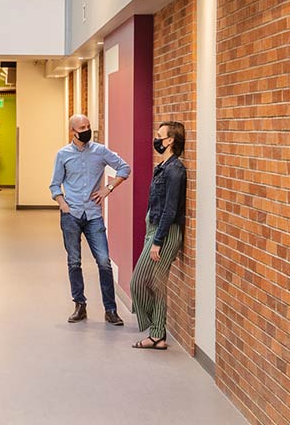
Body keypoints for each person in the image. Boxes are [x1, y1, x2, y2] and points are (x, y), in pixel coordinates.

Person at [49, 114, 131, 325]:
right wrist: (63, 205)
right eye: (82, 127)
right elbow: (54, 184)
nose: (86, 130)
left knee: (104, 262)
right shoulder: (63, 154)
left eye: (88, 126)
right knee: (74, 262)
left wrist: (108, 188)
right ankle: (80, 305)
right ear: (73, 131)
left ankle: (110, 310)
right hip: (71, 215)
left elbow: (124, 168)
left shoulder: (100, 151)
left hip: (93, 215)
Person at [129, 120, 187, 351]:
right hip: (154, 229)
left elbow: (170, 209)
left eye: (160, 135)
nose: (156, 138)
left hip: (165, 234)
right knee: (157, 284)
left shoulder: (175, 170)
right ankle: (158, 336)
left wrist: (158, 241)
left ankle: (155, 330)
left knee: (138, 282)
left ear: (170, 140)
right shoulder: (163, 166)